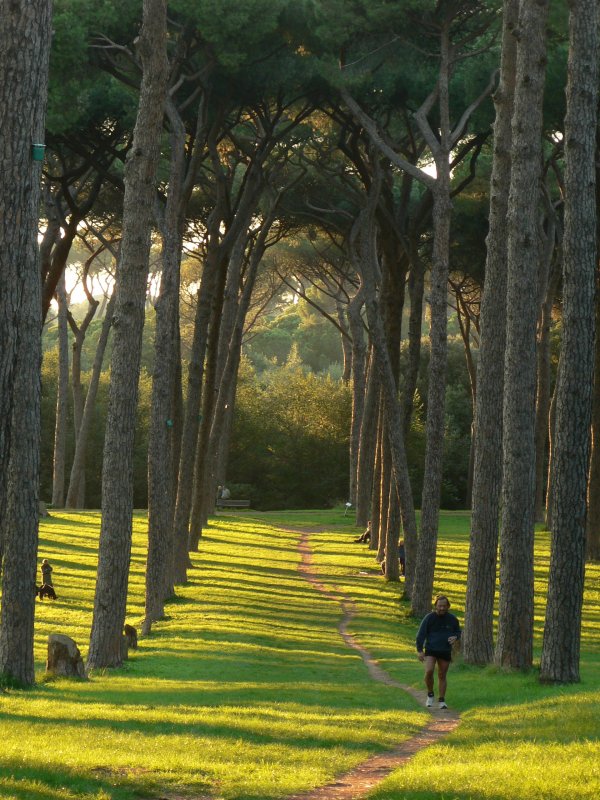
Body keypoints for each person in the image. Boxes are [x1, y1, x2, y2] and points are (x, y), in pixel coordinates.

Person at [415, 595, 460, 710]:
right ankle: (430, 694)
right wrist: (420, 650)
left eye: (444, 606)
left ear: (448, 606)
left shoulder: (453, 619)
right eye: (440, 606)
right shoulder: (429, 618)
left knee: (442, 675)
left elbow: (458, 632)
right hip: (431, 650)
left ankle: (441, 700)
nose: (442, 608)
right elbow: (421, 634)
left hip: (445, 650)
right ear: (435, 606)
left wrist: (455, 637)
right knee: (429, 671)